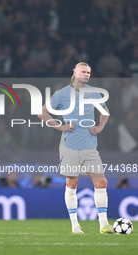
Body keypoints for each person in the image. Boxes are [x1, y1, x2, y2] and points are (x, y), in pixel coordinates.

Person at [38, 62, 113, 234]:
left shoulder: (93, 92)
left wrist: (100, 126)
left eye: (88, 72)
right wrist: (60, 126)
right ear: (75, 73)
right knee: (72, 183)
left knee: (101, 182)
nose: (86, 74)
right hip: (69, 145)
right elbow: (42, 112)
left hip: (90, 145)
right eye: (83, 72)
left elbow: (105, 111)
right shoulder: (62, 94)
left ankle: (104, 225)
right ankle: (75, 225)